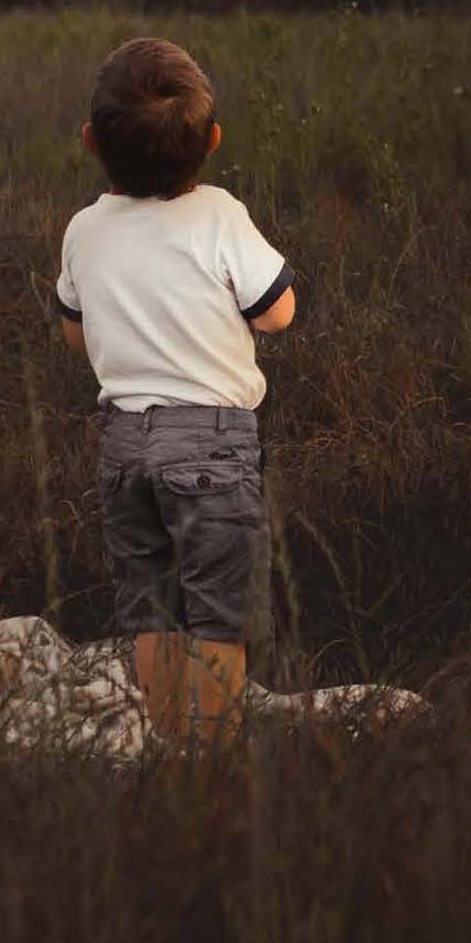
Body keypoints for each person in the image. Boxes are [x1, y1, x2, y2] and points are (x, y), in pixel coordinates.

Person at [55, 37, 295, 751]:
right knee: (217, 609)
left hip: (124, 440)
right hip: (212, 440)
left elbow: (74, 334)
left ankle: (165, 744)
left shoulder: (84, 228)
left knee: (150, 602)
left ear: (91, 142)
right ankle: (213, 759)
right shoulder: (219, 214)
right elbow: (276, 314)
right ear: (211, 142)